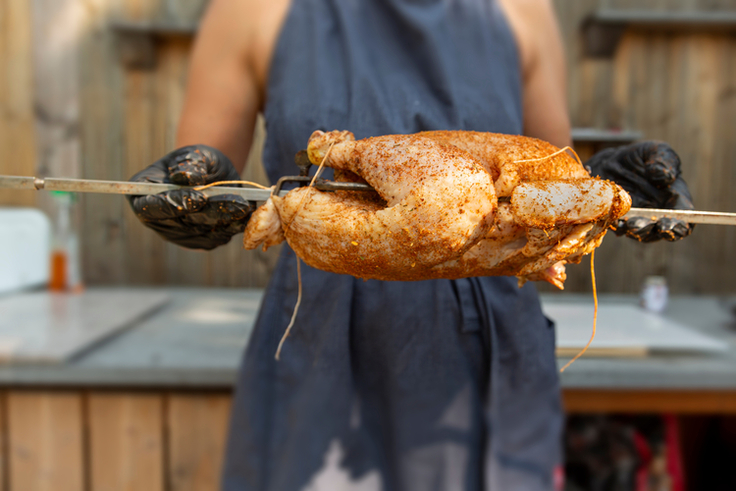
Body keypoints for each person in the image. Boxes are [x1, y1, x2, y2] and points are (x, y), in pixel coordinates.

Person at [128, 0, 694, 489]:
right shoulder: (252, 9)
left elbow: (547, 171)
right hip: (320, 340)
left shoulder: (519, 9)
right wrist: (188, 193)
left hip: (494, 344)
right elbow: (204, 179)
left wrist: (606, 188)